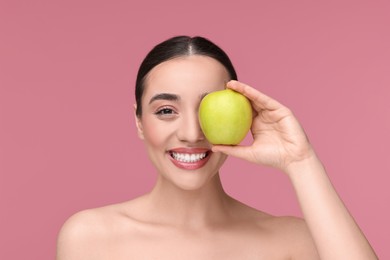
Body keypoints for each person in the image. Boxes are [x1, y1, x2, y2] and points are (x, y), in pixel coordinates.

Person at [56, 36, 377, 259]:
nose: (192, 133)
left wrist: (301, 160)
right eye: (166, 110)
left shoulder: (290, 240)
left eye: (208, 108)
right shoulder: (90, 237)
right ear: (139, 121)